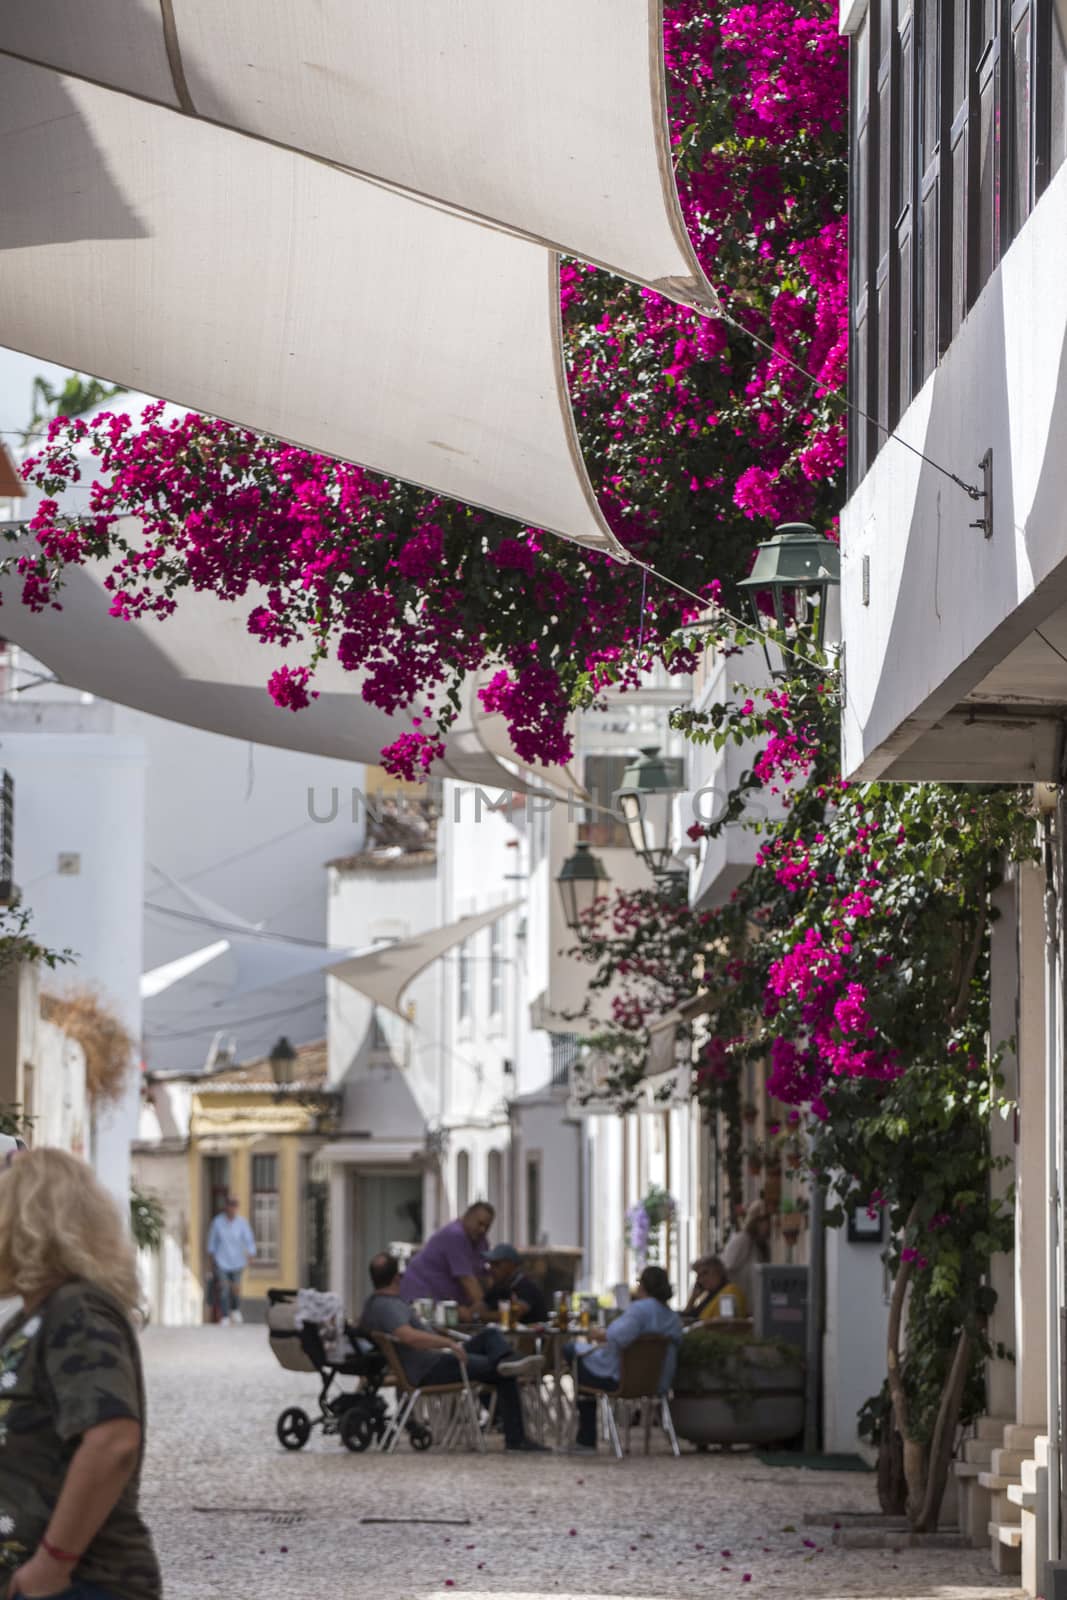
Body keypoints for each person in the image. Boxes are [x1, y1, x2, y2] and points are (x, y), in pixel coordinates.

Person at [0, 1147, 162, 1600]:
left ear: (28, 1220)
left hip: (82, 1585)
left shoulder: (77, 1310)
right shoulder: (32, 1316)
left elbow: (113, 1440)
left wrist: (53, 1563)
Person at [360, 1253, 547, 1452]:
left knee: (490, 1334)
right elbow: (409, 1337)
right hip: (431, 1368)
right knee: (501, 1372)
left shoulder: (373, 1303)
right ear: (397, 1277)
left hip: (436, 1360)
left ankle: (511, 1361)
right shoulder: (388, 1306)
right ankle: (516, 1438)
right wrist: (448, 1342)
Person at [567, 1265, 683, 1453]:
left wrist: (596, 1333)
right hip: (656, 1382)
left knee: (573, 1355)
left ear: (642, 1286)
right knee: (581, 1358)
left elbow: (615, 1336)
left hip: (622, 1378)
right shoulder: (672, 1316)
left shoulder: (639, 1310)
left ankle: (586, 1438)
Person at [399, 1201, 493, 1321]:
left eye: (487, 1226)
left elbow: (486, 1276)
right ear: (467, 1217)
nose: (482, 1229)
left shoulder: (481, 1240)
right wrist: (489, 1312)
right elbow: (468, 1281)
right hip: (422, 1296)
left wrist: (495, 1301)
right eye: (479, 1224)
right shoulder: (455, 1235)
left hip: (445, 1303)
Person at [206, 1193, 256, 1325]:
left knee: (236, 1288)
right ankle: (225, 1316)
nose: (233, 1208)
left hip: (238, 1261)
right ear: (226, 1206)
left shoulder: (242, 1223)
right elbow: (212, 1242)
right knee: (223, 1288)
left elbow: (249, 1240)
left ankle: (235, 1309)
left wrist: (251, 1254)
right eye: (230, 1204)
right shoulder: (218, 1222)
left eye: (235, 1205)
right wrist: (211, 1259)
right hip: (222, 1260)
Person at [720, 1200, 772, 1310]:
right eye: (762, 1220)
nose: (767, 1225)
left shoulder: (761, 1245)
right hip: (741, 1305)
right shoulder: (742, 1239)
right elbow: (727, 1266)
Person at [481, 1244, 548, 1325]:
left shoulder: (525, 1286)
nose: (491, 1269)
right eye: (490, 1264)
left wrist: (479, 1315)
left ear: (511, 1265)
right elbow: (481, 1306)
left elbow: (512, 1315)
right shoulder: (499, 1286)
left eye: (496, 1264)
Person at [682, 1255, 747, 1322]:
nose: (701, 1280)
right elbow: (687, 1318)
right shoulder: (709, 1296)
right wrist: (693, 1298)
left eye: (705, 1273)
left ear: (719, 1271)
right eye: (699, 1276)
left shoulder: (730, 1292)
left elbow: (727, 1325)